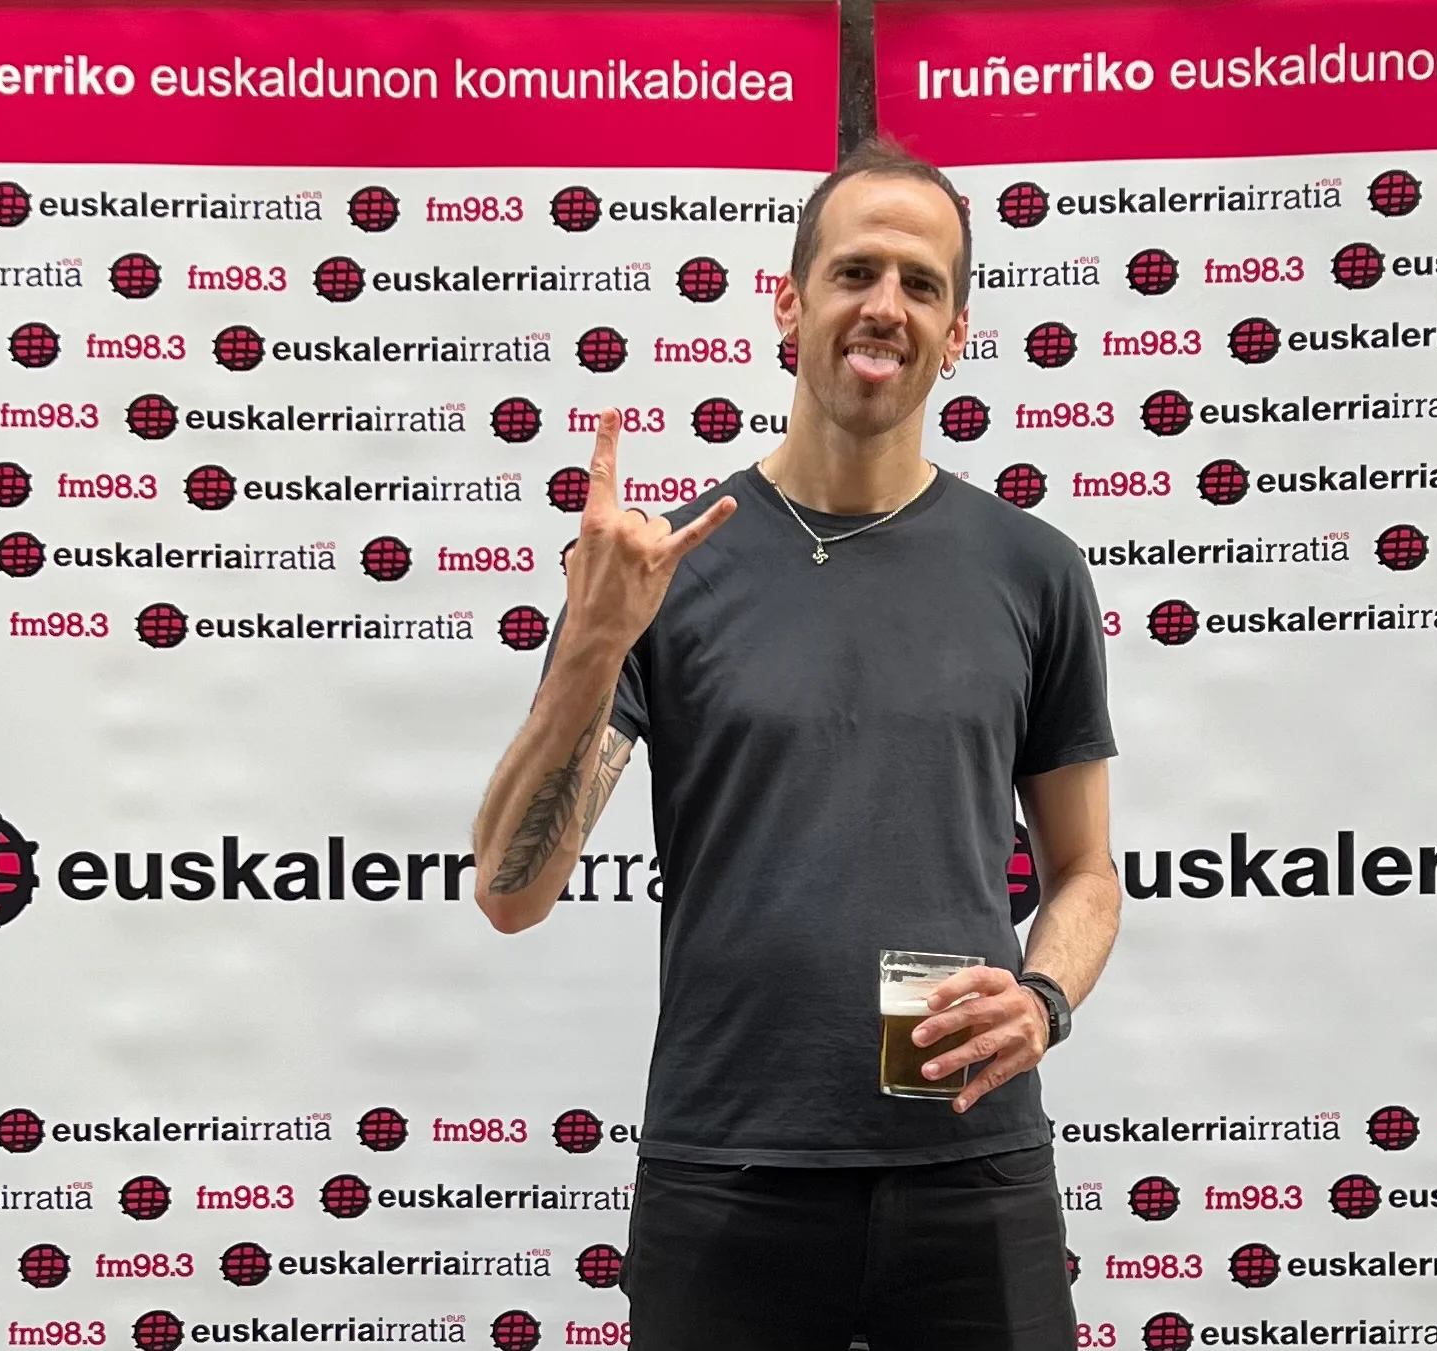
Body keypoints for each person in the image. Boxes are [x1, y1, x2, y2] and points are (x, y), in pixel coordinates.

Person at [471, 138, 1120, 1351]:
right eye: (854, 272)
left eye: (920, 284)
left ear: (956, 333)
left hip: (970, 1165)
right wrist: (593, 647)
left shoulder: (1033, 571)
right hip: (727, 1170)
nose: (884, 306)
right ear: (788, 302)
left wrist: (1041, 1001)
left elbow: (1085, 873)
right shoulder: (665, 570)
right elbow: (512, 892)